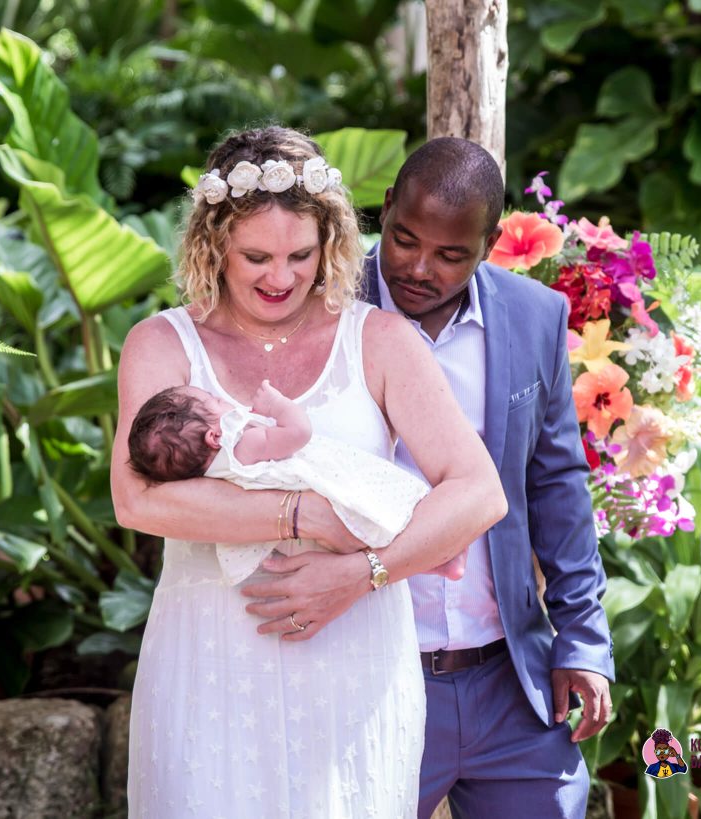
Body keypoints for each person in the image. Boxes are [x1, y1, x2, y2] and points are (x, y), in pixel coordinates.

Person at [110, 126, 506, 818]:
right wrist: (299, 514)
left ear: (331, 243)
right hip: (208, 665)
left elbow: (478, 493)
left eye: (301, 254)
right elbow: (137, 500)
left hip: (355, 666)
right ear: (213, 245)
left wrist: (365, 571)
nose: (280, 278)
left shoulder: (379, 340)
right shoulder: (161, 343)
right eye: (256, 256)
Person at [243, 137, 615, 819]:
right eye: (405, 239)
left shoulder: (534, 318)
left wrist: (584, 640)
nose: (418, 269)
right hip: (358, 673)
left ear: (490, 243)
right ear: (385, 208)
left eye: (450, 255)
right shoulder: (311, 306)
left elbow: (557, 488)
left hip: (508, 681)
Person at [126, 380, 465, 585]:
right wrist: (277, 406)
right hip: (327, 494)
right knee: (390, 510)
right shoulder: (243, 446)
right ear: (215, 436)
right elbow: (298, 434)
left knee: (375, 537)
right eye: (215, 402)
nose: (222, 401)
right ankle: (440, 558)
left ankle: (437, 562)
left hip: (311, 533)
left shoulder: (213, 472)